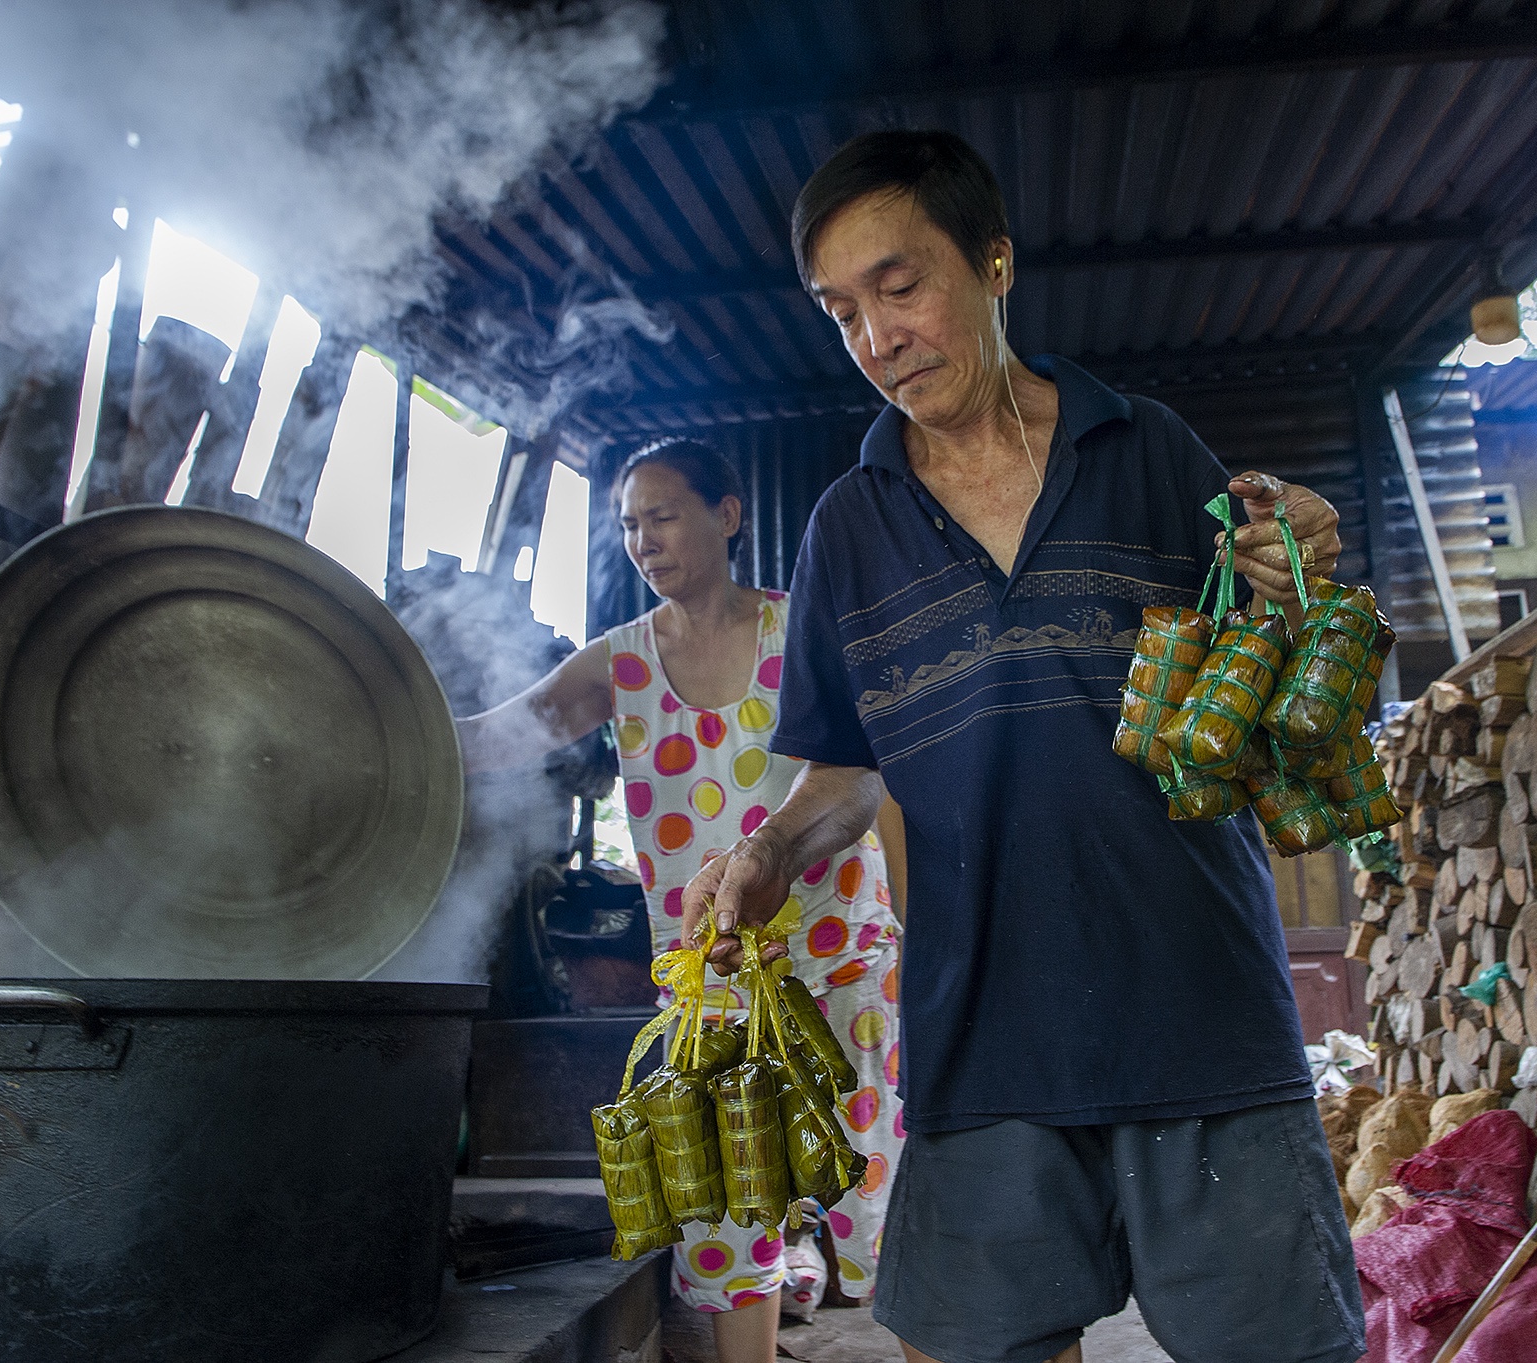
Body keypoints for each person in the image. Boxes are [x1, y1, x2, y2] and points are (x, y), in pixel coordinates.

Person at [682, 130, 1366, 1363]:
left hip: (1199, 1015)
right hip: (983, 1027)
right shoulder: (848, 526)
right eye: (841, 310)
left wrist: (1292, 568)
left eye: (900, 286)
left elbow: (1261, 656)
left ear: (993, 264)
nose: (875, 338)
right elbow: (842, 766)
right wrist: (771, 849)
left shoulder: (1146, 449)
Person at [458, 440, 905, 1363]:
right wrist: (377, 715)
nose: (643, 539)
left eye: (662, 515)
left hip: (837, 965)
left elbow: (870, 782)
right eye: (628, 523)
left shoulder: (805, 629)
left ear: (728, 515)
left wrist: (921, 923)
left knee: (882, 1199)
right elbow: (497, 740)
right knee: (732, 1214)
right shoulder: (618, 664)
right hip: (713, 984)